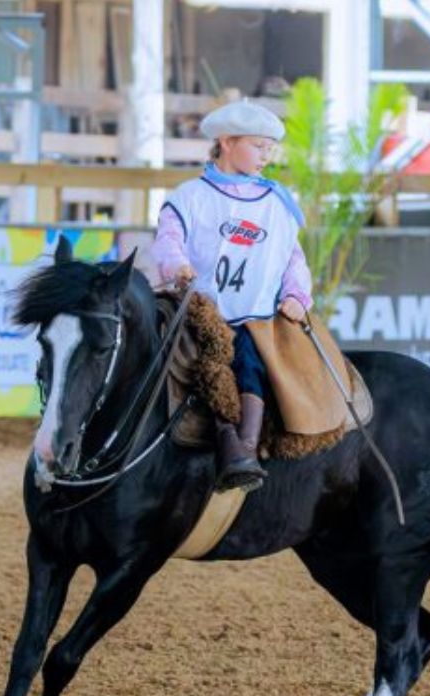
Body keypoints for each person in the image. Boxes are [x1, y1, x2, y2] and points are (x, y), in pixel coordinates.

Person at [151, 100, 313, 492]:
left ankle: (243, 446)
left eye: (269, 147)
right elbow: (167, 241)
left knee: (252, 362)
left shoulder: (277, 204)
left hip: (254, 317)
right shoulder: (189, 197)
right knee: (200, 357)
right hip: (197, 311)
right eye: (259, 146)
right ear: (226, 142)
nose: (266, 156)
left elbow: (293, 258)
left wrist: (297, 294)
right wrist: (176, 265)